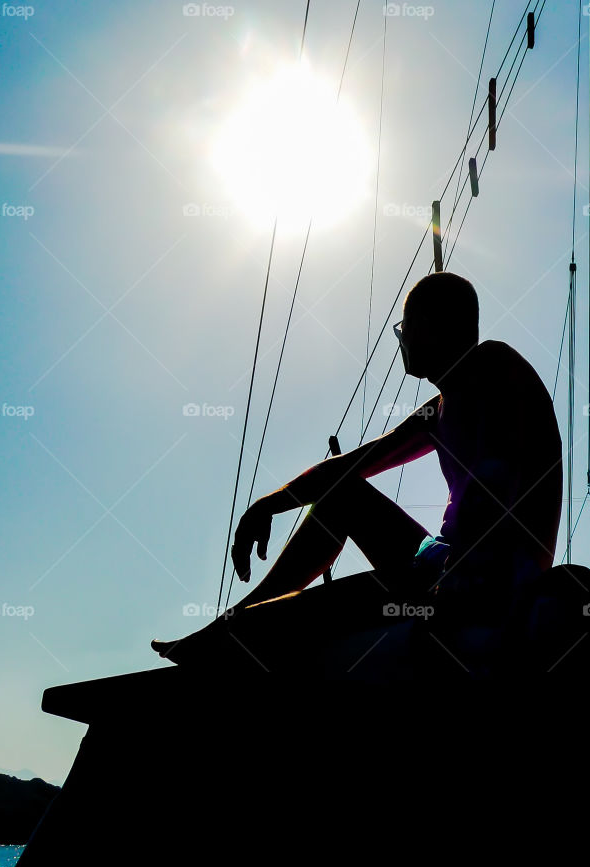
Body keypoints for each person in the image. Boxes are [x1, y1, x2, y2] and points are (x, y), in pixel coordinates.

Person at [152, 271, 563, 661]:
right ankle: (230, 624)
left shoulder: (493, 365)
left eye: (405, 328)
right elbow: (353, 464)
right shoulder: (439, 409)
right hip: (444, 565)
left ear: (431, 325)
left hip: (490, 582)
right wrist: (269, 505)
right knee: (343, 497)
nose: (401, 340)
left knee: (277, 621)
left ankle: (228, 634)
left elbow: (500, 478)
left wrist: (450, 590)